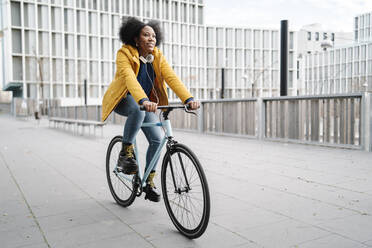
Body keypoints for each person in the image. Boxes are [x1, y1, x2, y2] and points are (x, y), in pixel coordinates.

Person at [101, 17, 200, 202]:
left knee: (158, 139)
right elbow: (129, 79)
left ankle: (148, 182)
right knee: (137, 111)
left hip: (145, 102)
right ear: (136, 39)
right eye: (146, 35)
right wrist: (144, 100)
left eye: (154, 36)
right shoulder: (124, 54)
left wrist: (188, 98)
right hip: (124, 100)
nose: (151, 39)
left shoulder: (157, 56)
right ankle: (125, 153)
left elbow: (172, 78)